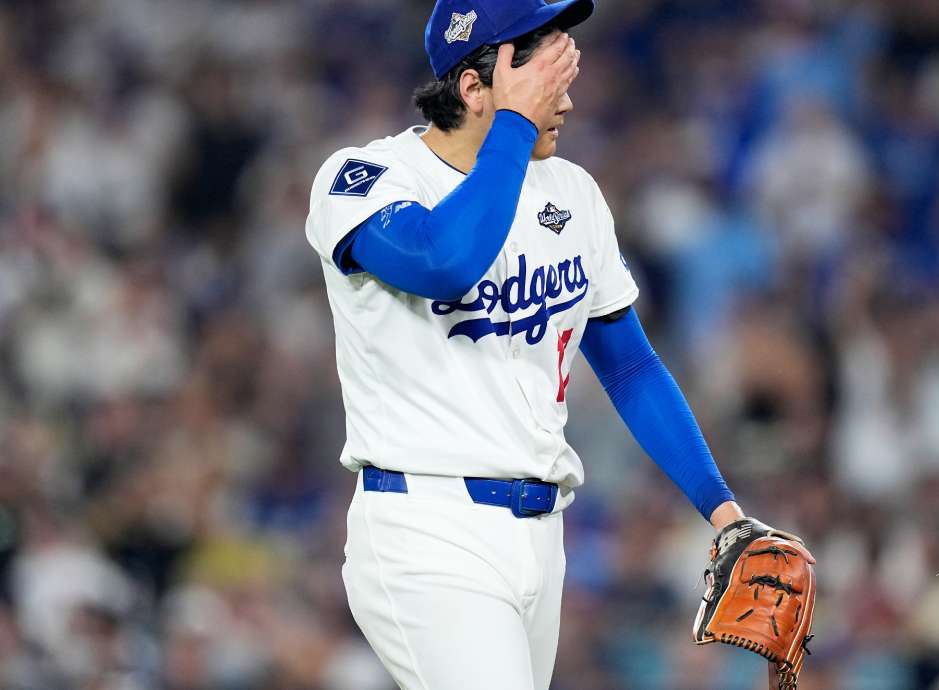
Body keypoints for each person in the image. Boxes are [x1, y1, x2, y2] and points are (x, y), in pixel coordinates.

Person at [304, 1, 748, 687]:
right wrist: (514, 123)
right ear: (475, 87)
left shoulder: (572, 192)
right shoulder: (364, 178)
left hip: (542, 537)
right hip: (426, 528)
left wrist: (723, 510)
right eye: (544, 80)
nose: (565, 100)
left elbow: (629, 366)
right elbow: (445, 260)